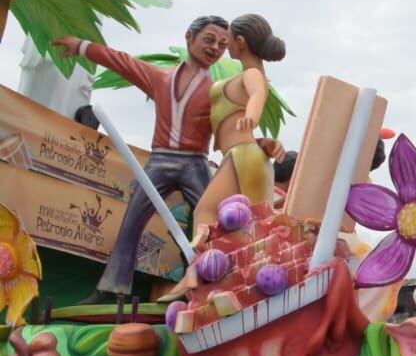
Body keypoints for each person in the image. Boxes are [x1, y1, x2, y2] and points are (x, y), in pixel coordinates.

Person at [51, 17, 283, 305]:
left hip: (195, 164)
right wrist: (84, 47)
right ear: (189, 38)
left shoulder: (217, 89)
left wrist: (260, 143)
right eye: (209, 40)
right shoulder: (160, 78)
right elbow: (122, 61)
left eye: (223, 44)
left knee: (216, 221)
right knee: (133, 218)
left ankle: (216, 283)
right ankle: (112, 288)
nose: (215, 48)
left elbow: (234, 120)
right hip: (160, 161)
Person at [189, 13, 287, 244]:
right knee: (242, 228)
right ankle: (210, 268)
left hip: (243, 155)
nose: (226, 45)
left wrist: (251, 117)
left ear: (240, 42)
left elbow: (257, 94)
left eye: (229, 39)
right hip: (240, 156)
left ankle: (198, 269)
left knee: (206, 212)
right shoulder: (243, 75)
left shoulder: (252, 74)